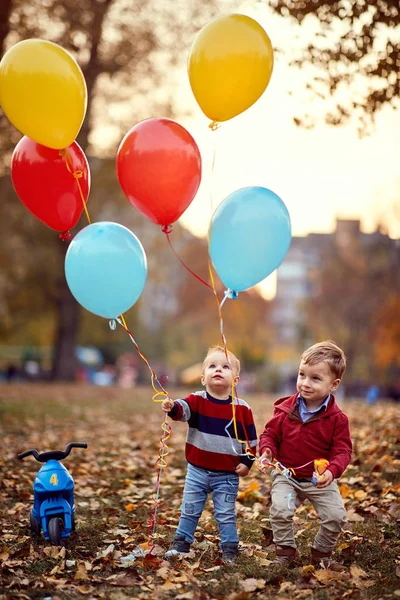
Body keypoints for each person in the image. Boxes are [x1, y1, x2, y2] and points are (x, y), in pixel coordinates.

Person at [259, 340, 352, 568]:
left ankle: (321, 553)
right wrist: (267, 451)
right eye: (302, 375)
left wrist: (331, 471)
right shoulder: (284, 410)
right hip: (286, 475)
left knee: (335, 516)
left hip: (319, 479)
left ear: (334, 384)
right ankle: (285, 552)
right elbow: (269, 434)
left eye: (316, 378)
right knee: (281, 509)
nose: (305, 383)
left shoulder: (337, 420)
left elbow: (342, 450)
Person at [162, 345, 257, 563]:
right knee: (190, 508)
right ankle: (181, 544)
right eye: (212, 366)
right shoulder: (197, 400)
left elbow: (251, 442)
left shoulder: (242, 409)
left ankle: (230, 550)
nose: (218, 370)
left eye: (225, 367)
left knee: (225, 513)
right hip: (197, 471)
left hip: (227, 475)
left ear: (236, 379)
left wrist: (247, 462)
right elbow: (182, 410)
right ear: (203, 378)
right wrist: (172, 407)